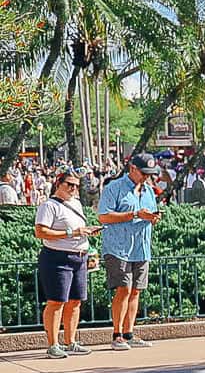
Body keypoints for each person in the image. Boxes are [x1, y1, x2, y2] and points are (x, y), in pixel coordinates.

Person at [96, 152, 161, 350]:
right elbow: (103, 216)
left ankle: (129, 332)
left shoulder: (149, 191)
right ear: (132, 168)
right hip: (118, 247)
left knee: (135, 291)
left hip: (141, 248)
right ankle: (117, 335)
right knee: (123, 289)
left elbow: (149, 214)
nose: (146, 177)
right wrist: (133, 214)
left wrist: (153, 218)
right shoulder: (114, 188)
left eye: (149, 174)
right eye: (143, 173)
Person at [34, 171, 99, 359]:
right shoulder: (49, 206)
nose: (73, 189)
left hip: (79, 257)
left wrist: (86, 232)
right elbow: (41, 232)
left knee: (75, 301)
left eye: (76, 186)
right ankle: (53, 344)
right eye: (69, 184)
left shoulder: (76, 204)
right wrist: (72, 233)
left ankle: (71, 341)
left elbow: (78, 231)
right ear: (58, 184)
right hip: (57, 258)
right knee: (56, 301)